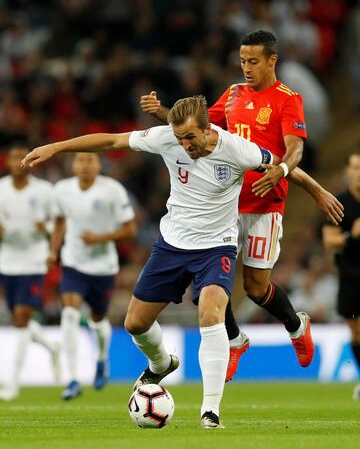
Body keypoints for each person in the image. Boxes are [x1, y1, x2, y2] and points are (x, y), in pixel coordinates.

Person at [22, 95, 275, 428]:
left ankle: (210, 411)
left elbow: (281, 166)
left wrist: (314, 191)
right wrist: (56, 147)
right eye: (179, 137)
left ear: (207, 128)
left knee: (211, 313)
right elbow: (111, 140)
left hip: (217, 246)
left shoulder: (238, 149)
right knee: (135, 324)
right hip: (172, 245)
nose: (184, 145)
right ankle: (161, 364)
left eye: (190, 137)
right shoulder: (166, 138)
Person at [139, 30, 344, 381]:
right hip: (226, 202)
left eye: (253, 61)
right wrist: (161, 110)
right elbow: (196, 127)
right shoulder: (233, 94)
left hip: (267, 205)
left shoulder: (287, 99)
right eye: (242, 61)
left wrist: (284, 172)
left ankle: (296, 327)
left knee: (255, 288)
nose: (246, 68)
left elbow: (294, 149)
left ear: (271, 60)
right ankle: (234, 339)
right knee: (205, 280)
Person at [48, 152, 137, 400]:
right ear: (72, 165)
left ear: (99, 165)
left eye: (90, 160)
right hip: (73, 263)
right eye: (80, 160)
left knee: (98, 320)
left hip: (103, 267)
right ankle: (73, 378)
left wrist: (99, 238)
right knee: (69, 312)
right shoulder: (62, 190)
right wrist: (53, 251)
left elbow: (130, 229)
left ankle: (101, 359)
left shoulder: (112, 190)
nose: (85, 165)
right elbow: (58, 222)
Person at [0, 144, 60, 401]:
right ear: (8, 162)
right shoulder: (1, 189)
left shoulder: (44, 191)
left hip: (34, 261)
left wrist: (47, 235)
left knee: (23, 317)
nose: (18, 162)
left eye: (21, 157)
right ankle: (52, 346)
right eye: (13, 158)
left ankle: (12, 382)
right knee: (18, 319)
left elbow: (58, 221)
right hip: (8, 261)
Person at [322, 146, 360, 400]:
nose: (359, 173)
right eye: (356, 168)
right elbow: (329, 241)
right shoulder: (340, 204)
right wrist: (351, 235)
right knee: (356, 332)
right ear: (347, 171)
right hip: (350, 276)